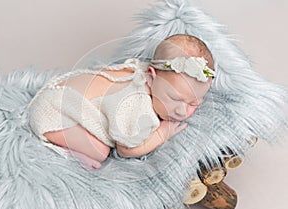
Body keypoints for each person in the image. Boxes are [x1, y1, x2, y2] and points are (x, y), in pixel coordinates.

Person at [28, 34, 215, 170]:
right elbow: (126, 149)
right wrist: (161, 134)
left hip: (61, 94)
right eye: (175, 99)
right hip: (53, 113)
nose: (182, 111)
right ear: (151, 77)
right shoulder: (135, 104)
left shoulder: (154, 78)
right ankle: (65, 149)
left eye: (194, 103)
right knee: (100, 151)